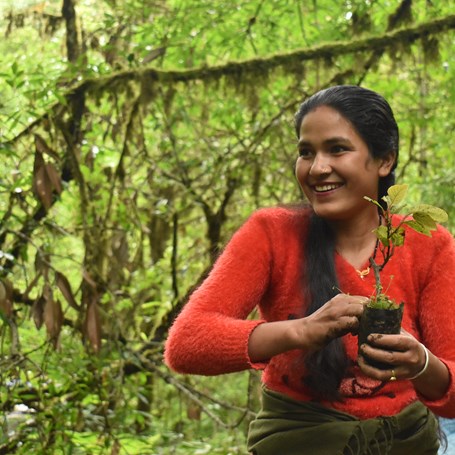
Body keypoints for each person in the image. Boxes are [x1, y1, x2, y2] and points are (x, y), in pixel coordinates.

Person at [164, 85, 455, 454]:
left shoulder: (425, 242)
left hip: (408, 442)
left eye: (337, 149)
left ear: (384, 160)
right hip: (298, 440)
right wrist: (302, 330)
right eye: (306, 152)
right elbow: (186, 343)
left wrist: (421, 363)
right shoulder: (271, 233)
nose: (317, 168)